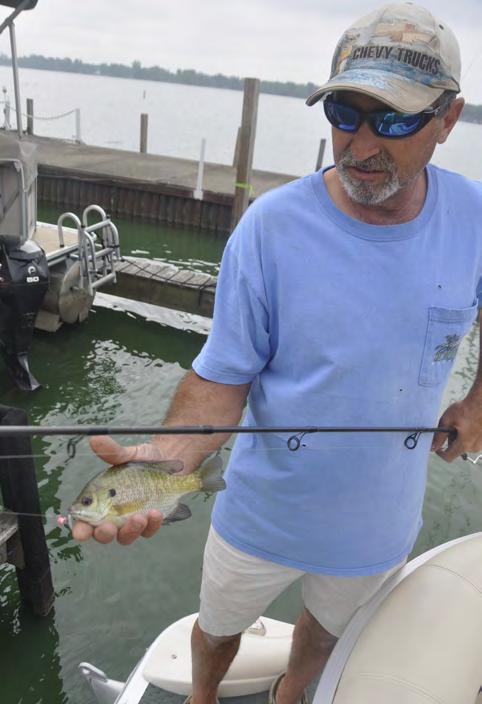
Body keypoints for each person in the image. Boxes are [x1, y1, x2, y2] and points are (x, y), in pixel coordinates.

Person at [74, 3, 482, 704]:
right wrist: (164, 460)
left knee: (323, 638)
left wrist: (477, 402)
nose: (359, 145)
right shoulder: (269, 228)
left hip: (379, 521)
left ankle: (288, 697)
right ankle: (203, 698)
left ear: (448, 119)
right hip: (261, 511)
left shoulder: (475, 219)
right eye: (345, 113)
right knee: (216, 629)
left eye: (392, 120)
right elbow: (223, 375)